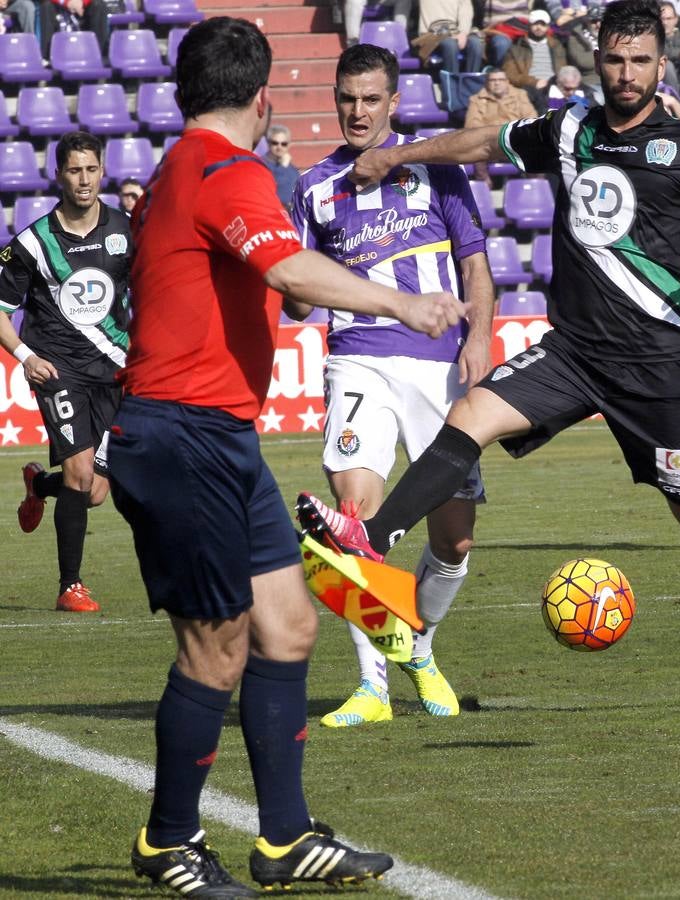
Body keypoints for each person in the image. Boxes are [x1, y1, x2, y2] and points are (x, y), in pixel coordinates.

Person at [298, 0, 680, 710]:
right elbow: (479, 146)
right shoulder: (569, 128)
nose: (626, 73)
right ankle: (370, 538)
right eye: (614, 59)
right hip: (573, 353)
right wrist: (395, 154)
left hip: (658, 372)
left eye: (640, 61)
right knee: (472, 412)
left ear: (661, 66)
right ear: (596, 60)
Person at [105, 17, 465, 897]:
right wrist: (403, 303)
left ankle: (284, 839)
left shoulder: (176, 171)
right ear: (265, 97)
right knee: (216, 647)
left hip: (218, 436)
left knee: (290, 625)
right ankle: (170, 842)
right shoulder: (227, 171)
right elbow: (289, 272)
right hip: (181, 433)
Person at [289, 44, 494, 728]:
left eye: (371, 99)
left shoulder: (436, 168)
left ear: (394, 102)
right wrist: (288, 293)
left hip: (437, 365)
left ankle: (421, 646)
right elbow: (296, 290)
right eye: (348, 98)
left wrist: (479, 337)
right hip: (357, 359)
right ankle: (372, 688)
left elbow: (476, 265)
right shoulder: (314, 188)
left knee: (455, 541)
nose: (357, 110)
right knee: (355, 518)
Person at [0, 131, 131, 614]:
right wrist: (24, 356)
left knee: (94, 492)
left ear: (102, 171)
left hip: (114, 370)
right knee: (79, 473)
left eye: (91, 170)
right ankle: (70, 585)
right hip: (58, 370)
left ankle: (39, 485)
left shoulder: (125, 232)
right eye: (74, 170)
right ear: (58, 174)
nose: (83, 180)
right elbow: (0, 307)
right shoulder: (33, 243)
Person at [464, 67, 536, 183]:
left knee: (539, 149)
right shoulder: (476, 100)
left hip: (516, 140)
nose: (497, 83)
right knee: (476, 148)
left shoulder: (520, 95)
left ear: (507, 82)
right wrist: (494, 135)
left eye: (500, 80)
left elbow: (531, 119)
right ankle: (484, 188)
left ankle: (536, 188)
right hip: (490, 144)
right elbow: (471, 126)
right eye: (492, 80)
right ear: (487, 83)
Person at [502, 8, 569, 113]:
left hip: (554, 84)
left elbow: (564, 69)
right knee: (542, 107)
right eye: (535, 24)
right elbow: (510, 74)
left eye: (543, 24)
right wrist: (534, 82)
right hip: (530, 86)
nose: (539, 28)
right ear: (529, 25)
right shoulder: (516, 47)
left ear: (547, 27)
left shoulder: (556, 45)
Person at [38, 0, 109, 60]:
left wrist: (82, 2)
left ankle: (97, 57)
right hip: (58, 3)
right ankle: (47, 58)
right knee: (46, 6)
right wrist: (66, 2)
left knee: (99, 5)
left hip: (83, 5)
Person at [263, 124, 300, 209]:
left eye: (284, 144)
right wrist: (283, 167)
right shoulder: (261, 165)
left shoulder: (292, 169)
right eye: (275, 143)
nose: (279, 147)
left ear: (289, 145)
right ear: (268, 143)